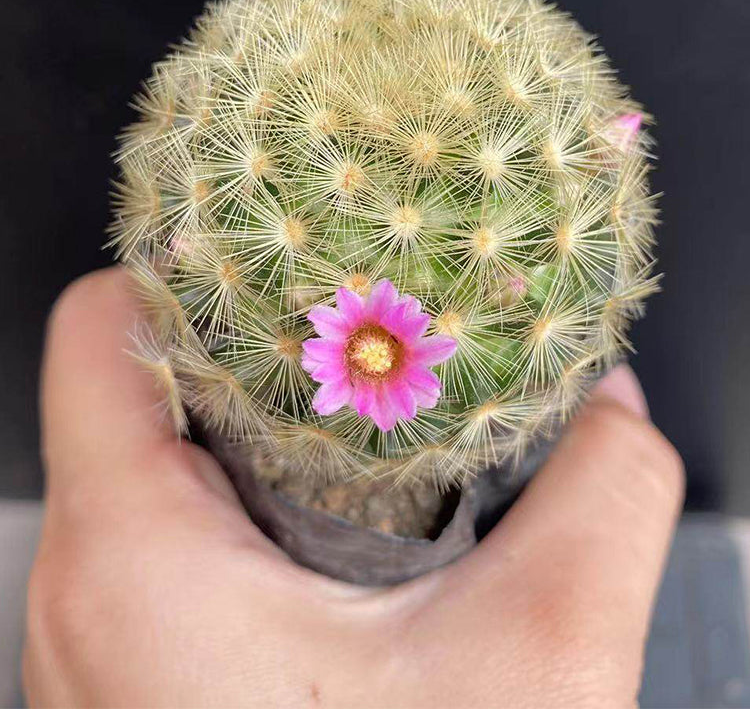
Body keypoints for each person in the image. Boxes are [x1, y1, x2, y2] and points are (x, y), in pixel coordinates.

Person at [23, 268, 684, 708]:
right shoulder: (347, 356)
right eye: (364, 348)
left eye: (381, 349)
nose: (372, 355)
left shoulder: (411, 364)